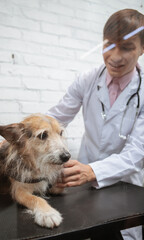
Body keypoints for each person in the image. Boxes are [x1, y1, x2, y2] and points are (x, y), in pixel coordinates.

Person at [47, 9, 144, 240]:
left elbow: (137, 154)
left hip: (126, 184)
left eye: (127, 47)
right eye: (109, 45)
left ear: (142, 49)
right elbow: (56, 117)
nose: (115, 56)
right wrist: (20, 135)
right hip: (83, 184)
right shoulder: (87, 79)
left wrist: (93, 171)